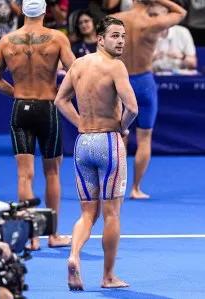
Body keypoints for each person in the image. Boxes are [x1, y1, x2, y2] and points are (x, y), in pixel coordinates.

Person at [55, 16, 138, 290]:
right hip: (109, 144)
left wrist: (80, 122)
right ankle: (108, 276)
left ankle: (74, 255)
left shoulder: (78, 65)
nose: (121, 41)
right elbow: (133, 109)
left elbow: (60, 100)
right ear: (100, 39)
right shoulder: (115, 67)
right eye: (115, 36)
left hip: (83, 145)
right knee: (112, 214)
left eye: (123, 36)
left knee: (87, 214)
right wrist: (122, 128)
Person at [0, 0, 76, 250]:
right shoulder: (57, 38)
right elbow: (76, 72)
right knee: (52, 172)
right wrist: (61, 94)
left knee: (24, 175)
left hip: (20, 109)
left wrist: (17, 92)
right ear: (45, 11)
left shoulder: (7, 41)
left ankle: (32, 238)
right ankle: (53, 234)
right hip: (47, 108)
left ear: (23, 11)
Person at [112, 0, 187, 199]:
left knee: (120, 136)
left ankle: (116, 187)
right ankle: (136, 188)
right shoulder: (153, 23)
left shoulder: (117, 20)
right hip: (145, 82)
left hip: (122, 80)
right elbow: (181, 12)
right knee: (145, 137)